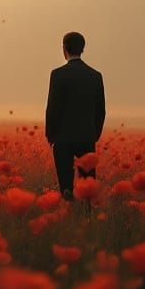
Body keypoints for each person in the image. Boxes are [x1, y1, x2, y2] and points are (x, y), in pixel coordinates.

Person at [45, 32, 105, 200]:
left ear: (64, 49)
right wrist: (94, 134)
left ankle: (68, 212)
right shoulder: (95, 76)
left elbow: (53, 108)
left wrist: (51, 135)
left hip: (62, 139)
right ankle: (87, 215)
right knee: (88, 186)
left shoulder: (57, 74)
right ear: (83, 49)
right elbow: (101, 110)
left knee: (66, 186)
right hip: (86, 137)